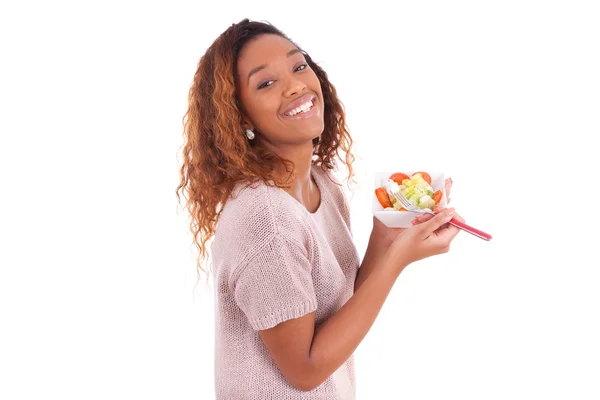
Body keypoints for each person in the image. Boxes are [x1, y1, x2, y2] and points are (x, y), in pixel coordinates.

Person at [176, 18, 464, 400]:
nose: (295, 85)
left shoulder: (321, 184)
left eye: (298, 66)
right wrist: (398, 261)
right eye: (266, 83)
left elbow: (341, 313)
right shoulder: (265, 220)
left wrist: (387, 234)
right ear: (239, 115)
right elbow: (305, 369)